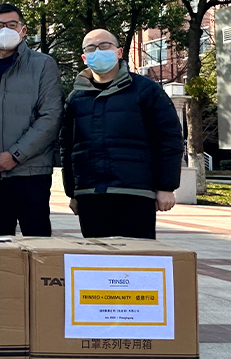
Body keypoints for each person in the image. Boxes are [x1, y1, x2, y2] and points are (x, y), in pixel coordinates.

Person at [61, 29, 183, 239]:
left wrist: (166, 186)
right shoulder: (76, 98)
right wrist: (72, 192)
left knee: (136, 263)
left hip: (135, 193)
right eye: (91, 48)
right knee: (97, 265)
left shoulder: (146, 90)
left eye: (104, 46)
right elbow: (67, 146)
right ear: (84, 58)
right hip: (90, 195)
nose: (98, 51)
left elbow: (169, 138)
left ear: (118, 52)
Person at [0, 3, 63, 236]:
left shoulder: (43, 65)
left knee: (37, 246)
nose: (5, 30)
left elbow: (50, 116)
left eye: (11, 25)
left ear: (23, 30)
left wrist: (15, 155)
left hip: (30, 173)